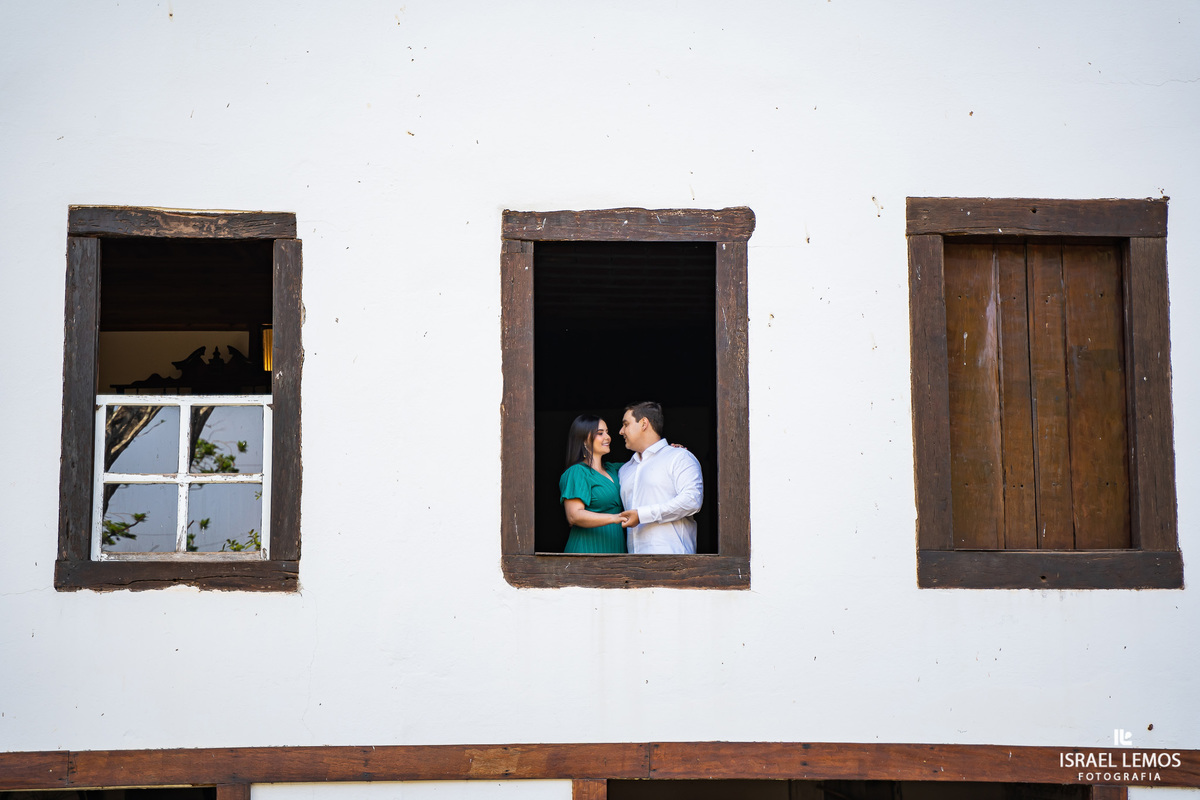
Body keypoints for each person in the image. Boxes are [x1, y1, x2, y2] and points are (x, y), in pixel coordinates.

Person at [616, 401, 703, 554]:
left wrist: (642, 515)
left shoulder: (679, 457)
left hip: (674, 560)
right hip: (631, 564)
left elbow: (692, 500)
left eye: (626, 424)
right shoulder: (624, 470)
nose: (621, 431)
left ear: (644, 423)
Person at [558, 415, 626, 553]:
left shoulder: (614, 469)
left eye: (607, 432)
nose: (607, 437)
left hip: (615, 546)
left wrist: (668, 452)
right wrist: (615, 518)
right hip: (587, 547)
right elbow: (574, 516)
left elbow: (644, 465)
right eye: (600, 433)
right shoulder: (577, 472)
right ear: (584, 439)